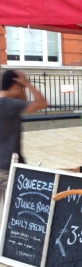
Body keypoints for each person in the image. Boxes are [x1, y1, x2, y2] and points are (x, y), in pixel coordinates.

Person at [0, 70, 48, 209]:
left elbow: (23, 102)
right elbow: (42, 103)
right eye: (20, 87)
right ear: (15, 86)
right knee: (16, 212)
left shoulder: (9, 105)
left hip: (6, 164)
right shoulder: (9, 105)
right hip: (8, 167)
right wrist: (28, 85)